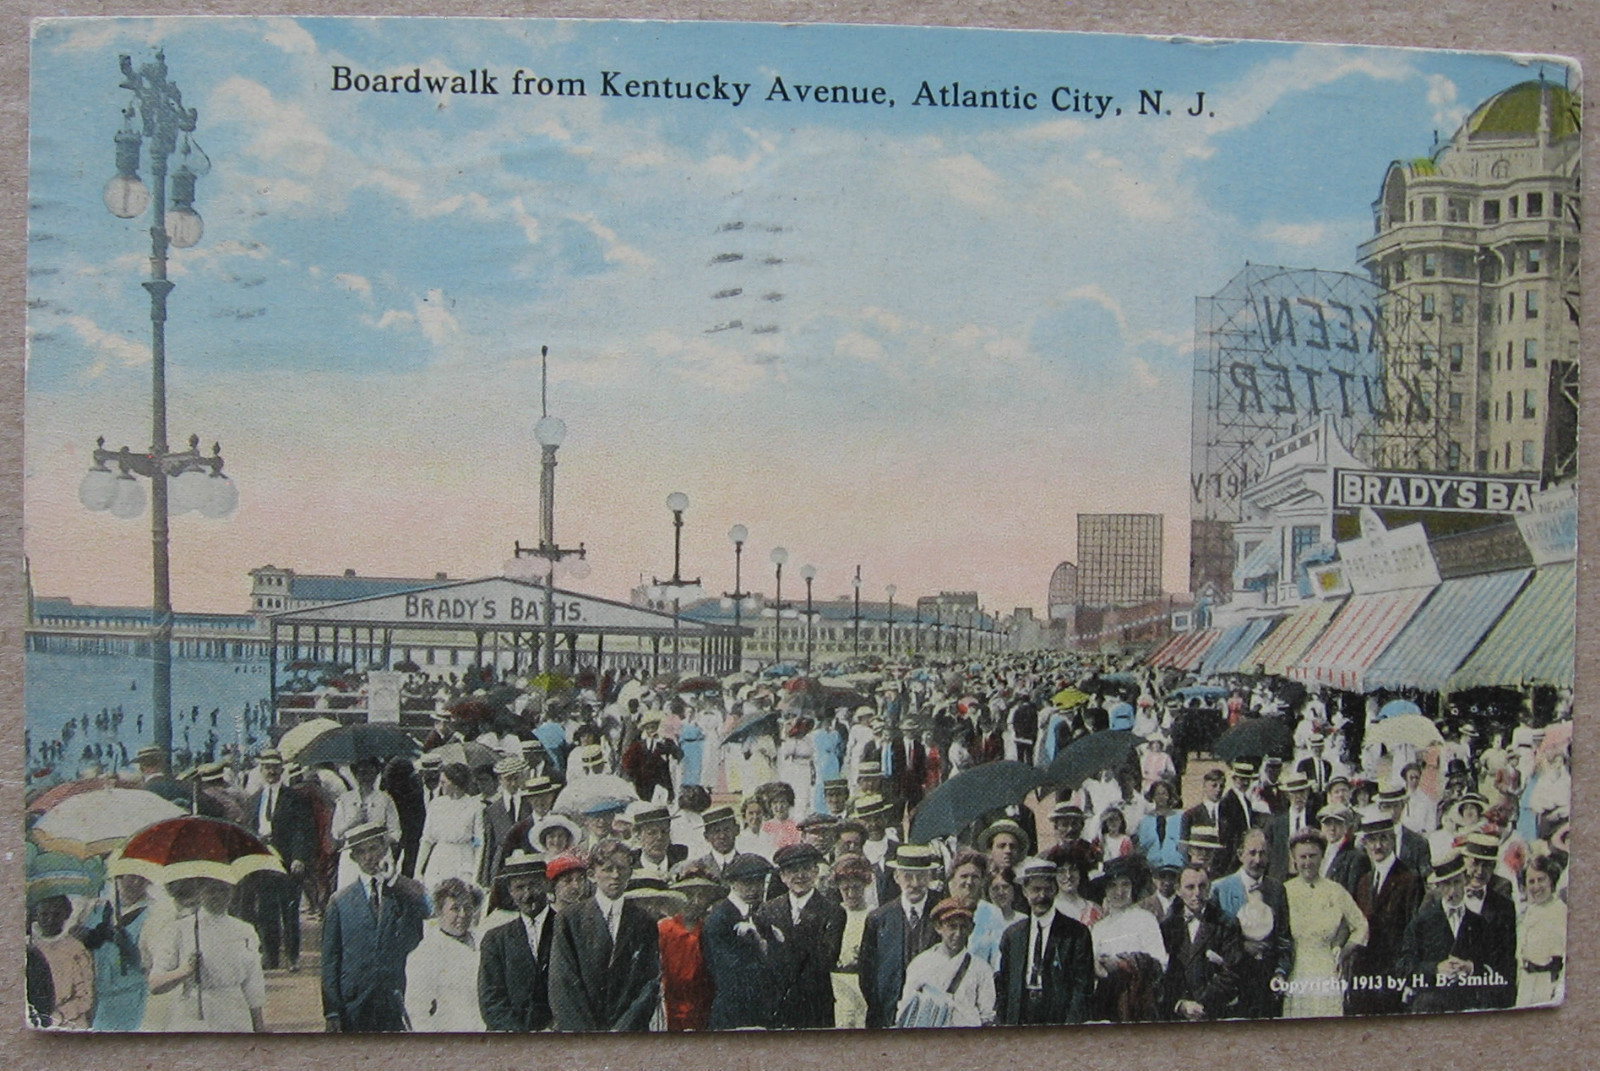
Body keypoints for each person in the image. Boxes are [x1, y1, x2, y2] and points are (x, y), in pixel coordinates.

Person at [321, 821, 429, 1032]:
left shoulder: (402, 891)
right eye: (361, 852)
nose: (369, 857)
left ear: (385, 848)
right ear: (353, 857)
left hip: (396, 995)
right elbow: (330, 959)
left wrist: (395, 881)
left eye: (373, 848)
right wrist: (331, 1010)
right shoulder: (340, 901)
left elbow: (427, 908)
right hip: (355, 999)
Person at [548, 837, 661, 1032]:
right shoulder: (569, 919)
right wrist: (588, 1034)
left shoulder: (644, 920)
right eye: (608, 869)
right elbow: (562, 982)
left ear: (630, 873)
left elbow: (649, 983)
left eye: (622, 869)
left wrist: (622, 1029)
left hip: (628, 1032)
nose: (615, 875)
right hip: (582, 1033)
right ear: (592, 875)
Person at [148, 876, 267, 1033]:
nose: (218, 895)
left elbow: (253, 986)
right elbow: (155, 984)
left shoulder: (245, 930)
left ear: (233, 892)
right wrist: (184, 971)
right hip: (192, 1015)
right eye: (211, 890)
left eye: (224, 890)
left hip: (234, 1016)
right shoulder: (179, 930)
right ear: (199, 892)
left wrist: (259, 1029)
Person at [1397, 855, 1513, 1012]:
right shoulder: (1421, 923)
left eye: (1457, 882)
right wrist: (1436, 968)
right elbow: (1404, 967)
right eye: (1446, 884)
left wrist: (1471, 968)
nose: (1452, 891)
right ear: (1437, 886)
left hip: (1469, 1005)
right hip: (1431, 1006)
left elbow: (1497, 966)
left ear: (1465, 880)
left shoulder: (1480, 924)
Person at [994, 857, 1095, 1025]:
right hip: (1020, 1016)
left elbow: (1082, 988)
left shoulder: (1076, 933)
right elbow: (1004, 987)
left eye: (1047, 890)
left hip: (1058, 1019)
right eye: (1035, 890)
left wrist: (1071, 1028)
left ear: (1055, 890)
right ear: (1025, 892)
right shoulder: (1013, 936)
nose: (1042, 896)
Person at [757, 842, 845, 1029]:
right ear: (782, 876)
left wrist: (782, 941)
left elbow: (826, 959)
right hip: (778, 1002)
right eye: (792, 870)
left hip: (815, 1004)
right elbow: (765, 959)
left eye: (805, 868)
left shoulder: (832, 911)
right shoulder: (768, 910)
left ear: (815, 872)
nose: (800, 876)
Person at [244, 748, 318, 972]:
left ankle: (293, 957)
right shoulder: (255, 799)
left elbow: (303, 830)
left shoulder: (294, 798)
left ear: (281, 770)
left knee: (290, 911)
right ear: (261, 770)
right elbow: (249, 828)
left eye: (275, 768)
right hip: (263, 863)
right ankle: (271, 956)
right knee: (266, 912)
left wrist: (299, 857)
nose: (271, 772)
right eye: (267, 767)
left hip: (288, 862)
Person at [1281, 829, 1367, 1019]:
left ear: (1322, 857)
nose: (1308, 862)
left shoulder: (1335, 891)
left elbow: (1361, 926)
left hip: (1326, 969)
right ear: (1294, 858)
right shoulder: (1285, 891)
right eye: (1302, 857)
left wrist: (1343, 953)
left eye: (1313, 856)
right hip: (1296, 969)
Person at [1346, 810, 1422, 1016]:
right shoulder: (1364, 881)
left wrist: (1403, 976)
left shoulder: (1409, 878)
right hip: (1365, 976)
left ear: (1393, 839)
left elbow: (1412, 932)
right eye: (1372, 840)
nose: (1378, 846)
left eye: (1383, 838)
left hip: (1392, 976)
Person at [858, 843, 942, 1028]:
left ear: (930, 877)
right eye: (907, 876)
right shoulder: (879, 919)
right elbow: (867, 975)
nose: (914, 883)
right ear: (897, 877)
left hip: (932, 1015)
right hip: (889, 1015)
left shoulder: (941, 913)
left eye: (921, 876)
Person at [1209, 829, 1292, 1017]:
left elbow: (1284, 939)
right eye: (1252, 853)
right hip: (1233, 981)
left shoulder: (1276, 889)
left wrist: (1280, 973)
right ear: (1240, 855)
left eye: (1262, 853)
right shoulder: (1220, 889)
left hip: (1267, 981)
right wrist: (1242, 946)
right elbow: (1213, 939)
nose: (1257, 860)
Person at [478, 851, 556, 1032]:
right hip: (511, 1038)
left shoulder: (567, 929)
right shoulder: (496, 940)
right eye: (520, 888)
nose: (527, 895)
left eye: (534, 885)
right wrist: (521, 1036)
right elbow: (491, 1001)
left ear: (546, 884)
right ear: (510, 891)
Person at [702, 853, 780, 1029]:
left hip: (760, 1011)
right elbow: (728, 972)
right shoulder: (720, 919)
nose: (755, 888)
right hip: (734, 1013)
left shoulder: (759, 916)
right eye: (748, 883)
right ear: (732, 883)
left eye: (760, 881)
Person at [1159, 864, 1244, 1021]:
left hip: (1214, 1013)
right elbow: (1164, 974)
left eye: (1202, 886)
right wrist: (1181, 1005)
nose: (1197, 893)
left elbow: (1232, 972)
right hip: (1178, 1016)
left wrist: (1201, 1004)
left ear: (1210, 887)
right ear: (1178, 890)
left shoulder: (1226, 923)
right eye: (1190, 887)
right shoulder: (1167, 927)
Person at [895, 898, 996, 1027]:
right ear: (938, 927)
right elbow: (905, 1010)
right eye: (952, 927)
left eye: (963, 927)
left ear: (971, 929)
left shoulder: (981, 969)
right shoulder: (920, 964)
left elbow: (987, 1016)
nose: (958, 934)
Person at [406, 877, 486, 1032]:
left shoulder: (485, 941)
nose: (463, 915)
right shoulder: (425, 954)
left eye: (468, 907)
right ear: (439, 911)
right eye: (455, 908)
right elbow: (417, 1013)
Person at [84, 873, 153, 1030]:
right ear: (118, 877)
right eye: (131, 877)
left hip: (130, 998)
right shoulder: (97, 909)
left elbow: (150, 964)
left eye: (142, 877)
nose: (136, 883)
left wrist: (128, 948)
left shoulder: (152, 913)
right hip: (95, 996)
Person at [658, 866, 723, 1032]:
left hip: (702, 1012)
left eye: (700, 896)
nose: (693, 901)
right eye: (687, 895)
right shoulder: (664, 929)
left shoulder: (710, 929)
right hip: (670, 1010)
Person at [28, 892, 95, 1029]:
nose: (50, 920)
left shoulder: (76, 949)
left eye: (56, 914)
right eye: (44, 914)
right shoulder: (29, 947)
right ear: (36, 915)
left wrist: (59, 1015)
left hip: (70, 1022)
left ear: (66, 915)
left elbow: (85, 996)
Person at [417, 762, 486, 891]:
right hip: (440, 858)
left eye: (444, 782)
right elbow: (426, 839)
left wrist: (476, 874)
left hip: (464, 858)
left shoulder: (474, 806)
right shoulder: (436, 805)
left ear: (454, 783)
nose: (440, 785)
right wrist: (418, 871)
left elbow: (478, 842)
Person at [829, 853, 876, 1029]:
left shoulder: (874, 915)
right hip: (838, 983)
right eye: (845, 889)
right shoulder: (834, 914)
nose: (851, 894)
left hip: (862, 982)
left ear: (865, 885)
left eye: (856, 888)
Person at [1515, 854, 1566, 1007]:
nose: (1536, 886)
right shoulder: (1528, 912)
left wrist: (1557, 990)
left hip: (1548, 983)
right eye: (1531, 881)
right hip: (1526, 984)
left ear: (1551, 880)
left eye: (1541, 879)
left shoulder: (1560, 911)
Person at [1135, 779, 1185, 871]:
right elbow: (1142, 846)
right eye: (1158, 794)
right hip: (1153, 864)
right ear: (1153, 796)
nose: (1161, 797)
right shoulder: (1145, 820)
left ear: (1169, 796)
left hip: (1175, 864)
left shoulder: (1180, 817)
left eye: (1164, 794)